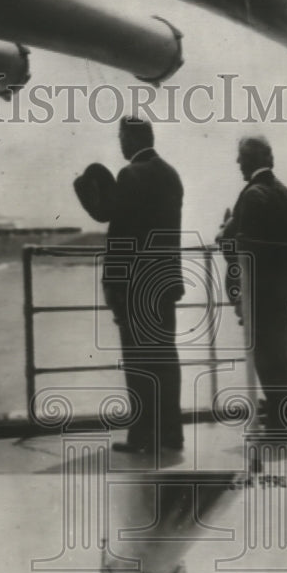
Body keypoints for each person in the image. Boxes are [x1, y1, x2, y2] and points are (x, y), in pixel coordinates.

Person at [100, 116, 185, 454]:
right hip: (164, 284)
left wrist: (113, 286)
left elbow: (121, 237)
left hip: (135, 287)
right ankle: (171, 434)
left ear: (132, 138)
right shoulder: (171, 174)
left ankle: (142, 436)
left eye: (121, 136)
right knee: (165, 359)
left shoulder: (130, 175)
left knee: (138, 362)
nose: (120, 144)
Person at [220, 136, 287, 435]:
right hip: (282, 287)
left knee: (268, 356)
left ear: (251, 160)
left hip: (259, 288)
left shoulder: (253, 195)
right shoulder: (282, 192)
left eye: (240, 157)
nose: (237, 163)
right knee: (286, 350)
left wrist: (225, 237)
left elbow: (244, 248)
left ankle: (282, 425)